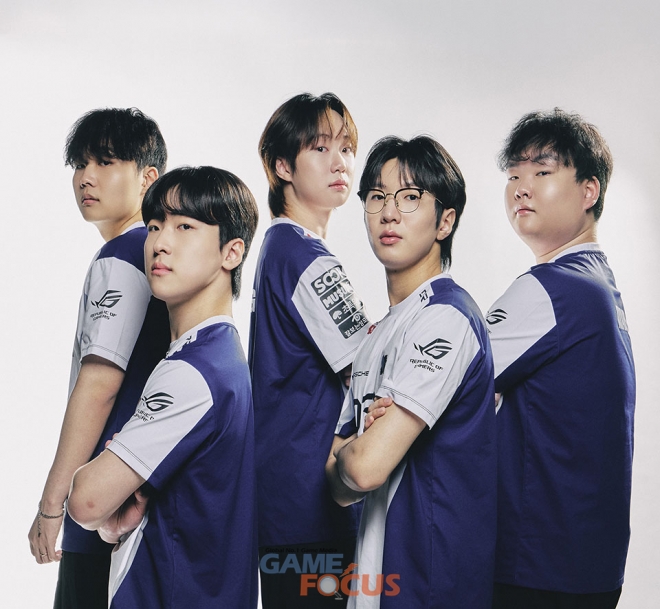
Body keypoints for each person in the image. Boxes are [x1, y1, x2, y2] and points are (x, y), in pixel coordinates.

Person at [67, 166, 260, 608]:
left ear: (231, 252)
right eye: (154, 225)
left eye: (185, 227)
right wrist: (116, 520)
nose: (160, 243)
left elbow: (86, 502)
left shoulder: (194, 371)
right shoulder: (217, 355)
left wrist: (91, 486)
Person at [326, 135, 497, 608]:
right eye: (377, 196)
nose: (389, 213)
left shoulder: (446, 317)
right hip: (377, 581)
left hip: (431, 582)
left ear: (445, 220)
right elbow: (336, 483)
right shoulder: (376, 333)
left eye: (409, 197)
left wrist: (355, 454)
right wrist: (357, 453)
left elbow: (362, 469)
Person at [487, 108, 635, 609]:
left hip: (539, 568)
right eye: (514, 175)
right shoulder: (598, 283)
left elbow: (443, 378)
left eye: (542, 172)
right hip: (587, 566)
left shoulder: (555, 288)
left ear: (589, 191)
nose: (521, 189)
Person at [27, 107, 170, 609]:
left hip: (105, 504)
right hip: (137, 496)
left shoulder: (124, 256)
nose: (86, 177)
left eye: (106, 162)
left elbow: (99, 386)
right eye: (80, 164)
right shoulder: (156, 255)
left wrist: (52, 506)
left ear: (148, 177)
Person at [249, 92, 371, 608]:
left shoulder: (280, 249)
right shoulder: (303, 256)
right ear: (283, 166)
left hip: (288, 503)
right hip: (310, 507)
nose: (339, 162)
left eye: (346, 148)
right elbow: (369, 368)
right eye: (320, 148)